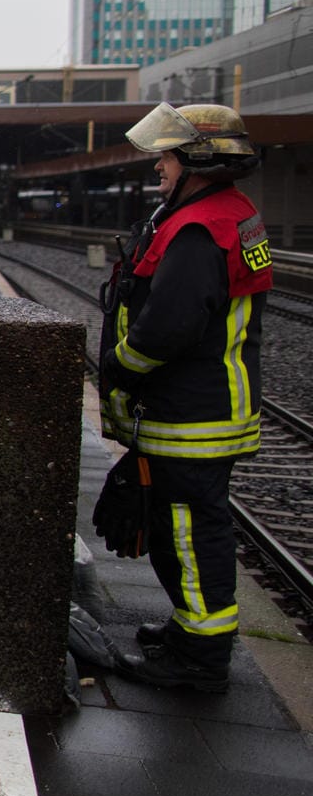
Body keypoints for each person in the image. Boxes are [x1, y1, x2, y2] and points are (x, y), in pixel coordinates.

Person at [102, 103, 271, 693]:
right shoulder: (229, 215)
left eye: (167, 158)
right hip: (208, 402)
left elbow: (167, 327)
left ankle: (199, 658)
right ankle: (189, 630)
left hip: (192, 410)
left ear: (197, 161)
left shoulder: (198, 228)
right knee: (192, 525)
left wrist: (118, 369)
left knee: (189, 530)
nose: (159, 169)